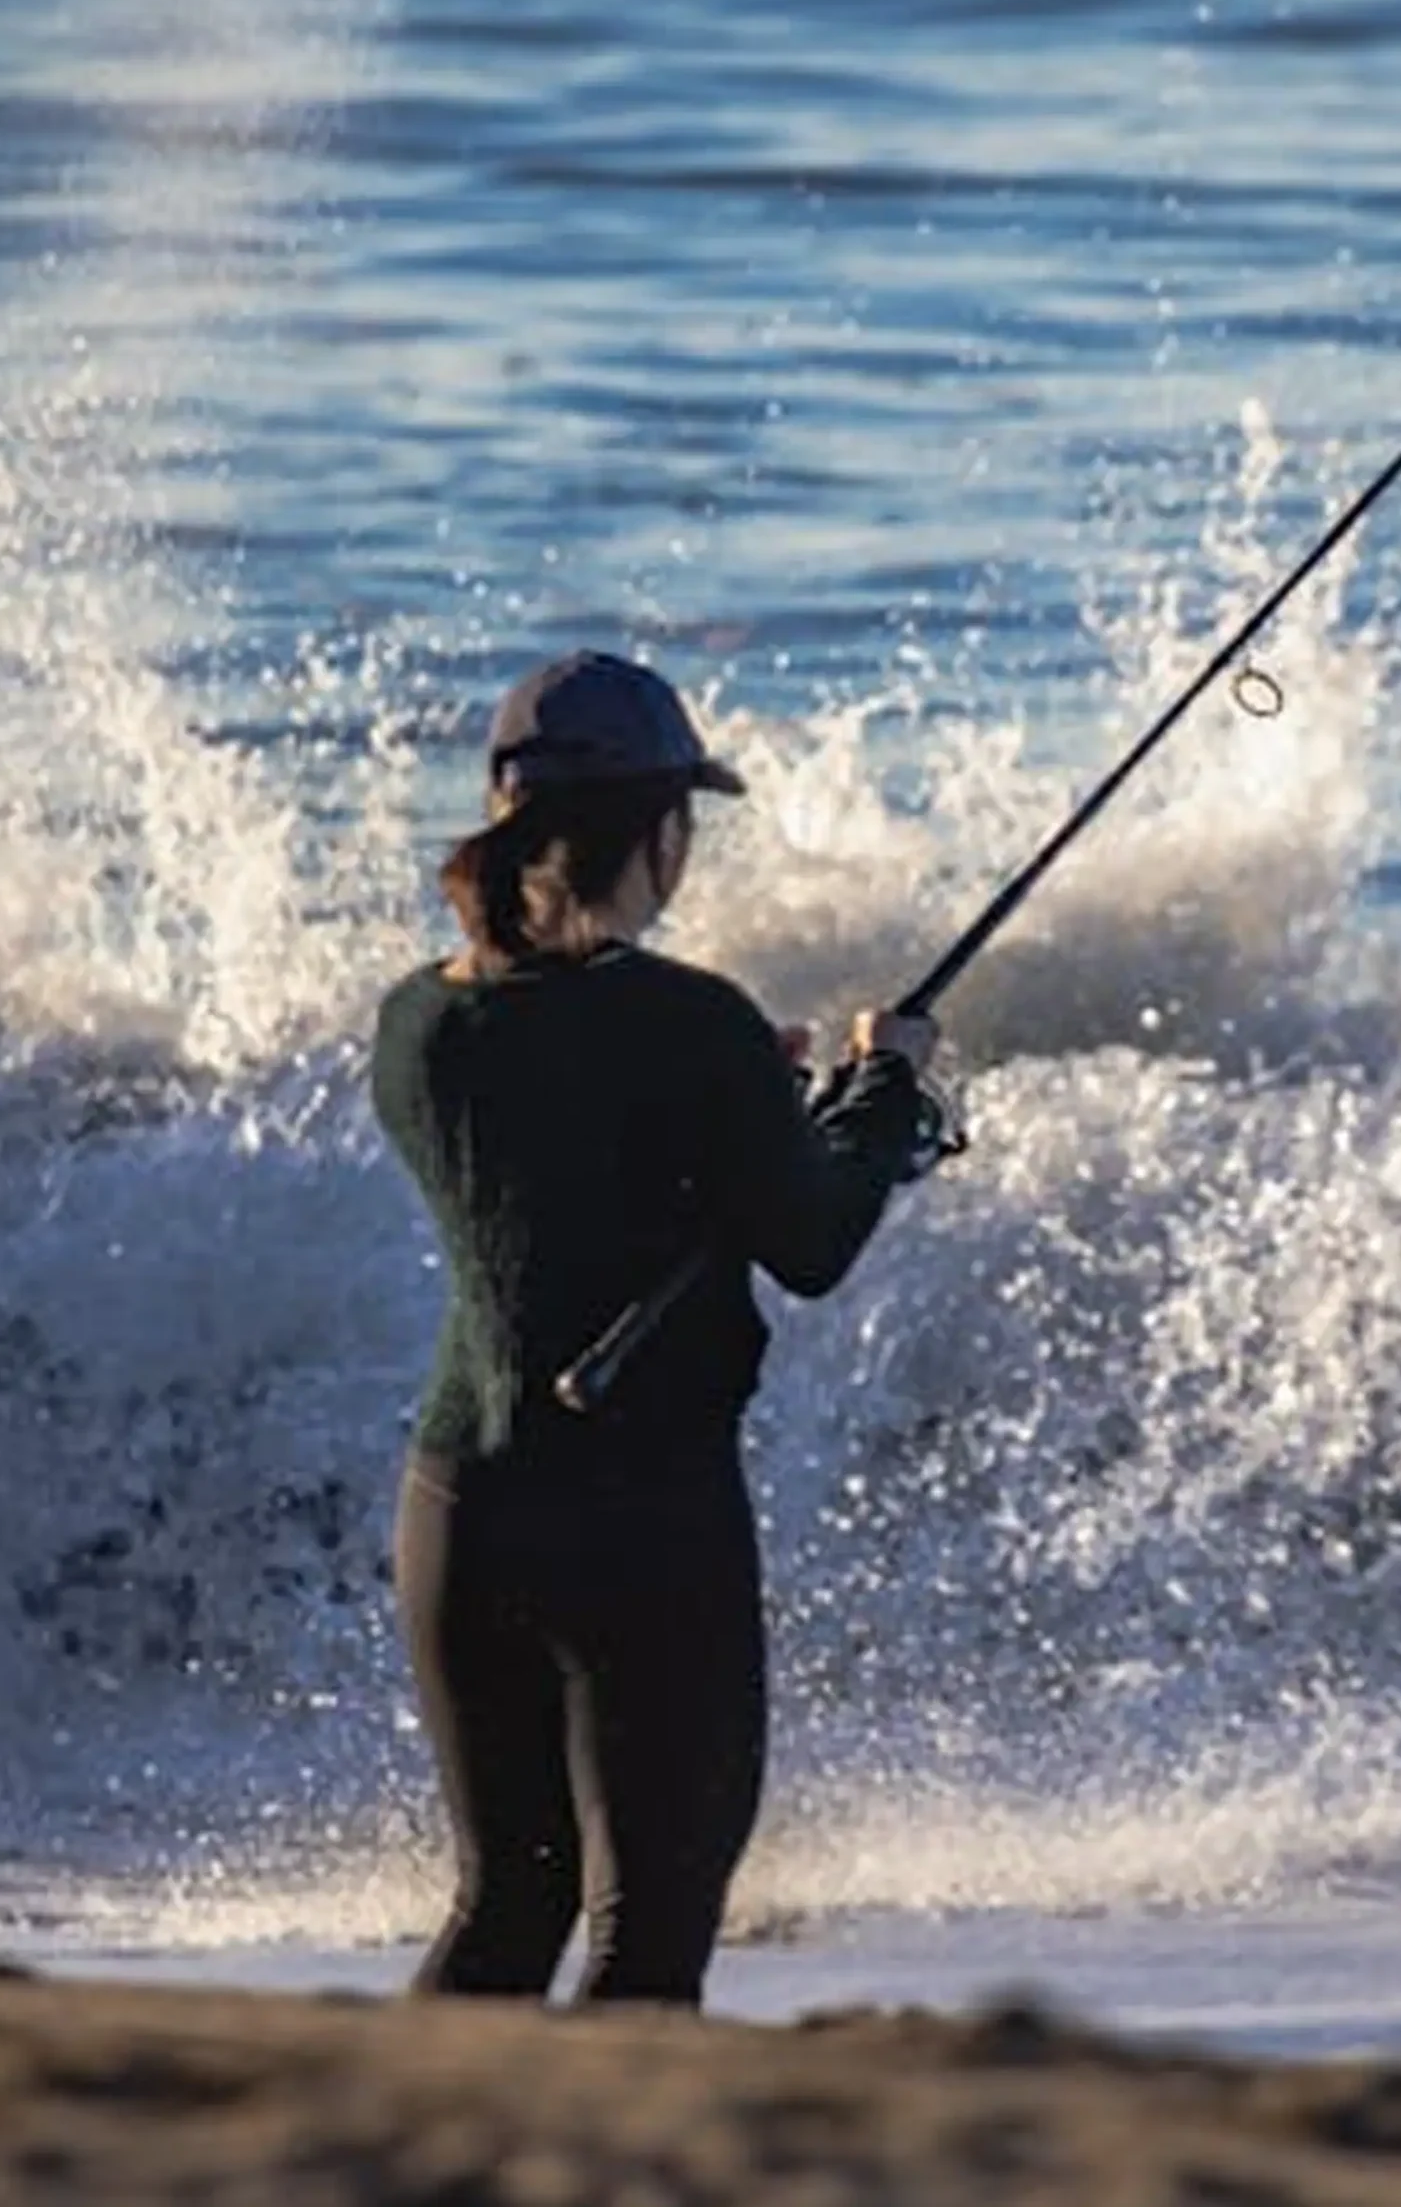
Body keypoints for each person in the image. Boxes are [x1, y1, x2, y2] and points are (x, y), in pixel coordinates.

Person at [370, 649, 937, 2006]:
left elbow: (563, 1168)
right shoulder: (694, 1029)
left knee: (507, 1905)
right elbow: (808, 1245)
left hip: (456, 1507)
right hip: (642, 1522)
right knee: (647, 1929)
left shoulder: (416, 1022)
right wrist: (881, 1096)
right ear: (663, 830)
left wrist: (746, 1099)